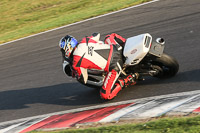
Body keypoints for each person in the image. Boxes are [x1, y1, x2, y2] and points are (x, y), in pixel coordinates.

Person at [59, 33, 139, 100]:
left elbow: (84, 78)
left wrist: (75, 73)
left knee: (106, 95)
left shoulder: (76, 63)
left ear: (67, 48)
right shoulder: (85, 40)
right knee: (110, 36)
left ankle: (128, 79)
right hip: (116, 48)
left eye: (63, 50)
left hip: (115, 66)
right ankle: (128, 45)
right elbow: (96, 35)